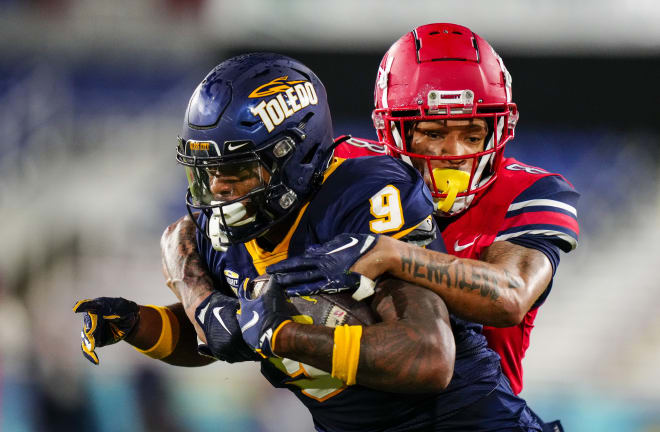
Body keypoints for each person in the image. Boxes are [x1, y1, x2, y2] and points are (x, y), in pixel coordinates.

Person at [74, 52, 543, 431]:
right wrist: (140, 324)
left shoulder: (364, 196)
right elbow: (226, 334)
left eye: (237, 169)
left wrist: (285, 334)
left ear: (292, 158)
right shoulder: (223, 229)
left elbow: (428, 358)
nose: (219, 190)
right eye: (208, 172)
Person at [273, 22, 579, 404]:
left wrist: (389, 253)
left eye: (472, 135)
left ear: (498, 130)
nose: (454, 153)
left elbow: (510, 295)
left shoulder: (530, 192)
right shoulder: (349, 170)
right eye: (434, 133)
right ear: (393, 133)